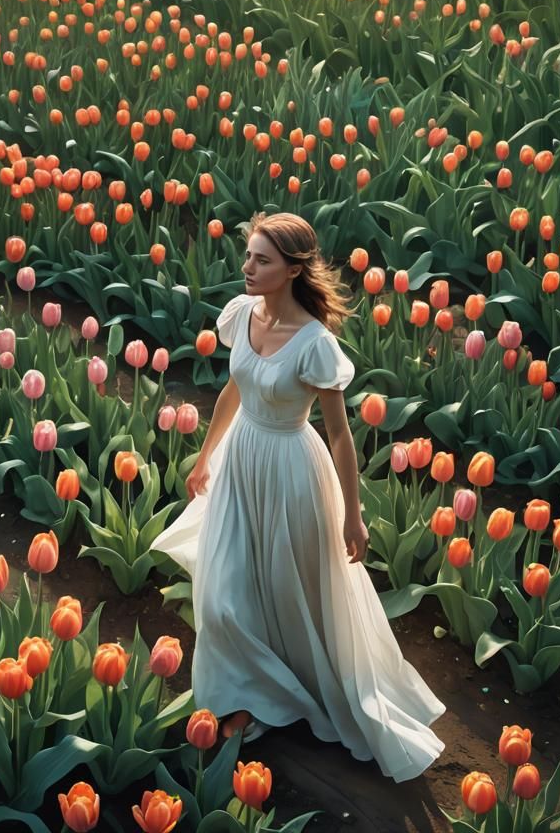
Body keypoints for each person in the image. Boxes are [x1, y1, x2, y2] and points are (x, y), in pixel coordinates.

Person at [149, 211, 446, 781]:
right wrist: (206, 456)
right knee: (221, 594)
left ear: (291, 269)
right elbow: (233, 389)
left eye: (262, 259)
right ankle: (246, 693)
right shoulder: (242, 315)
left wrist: (353, 517)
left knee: (291, 591)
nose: (248, 268)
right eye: (250, 256)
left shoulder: (315, 344)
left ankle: (275, 695)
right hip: (240, 458)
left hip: (291, 468)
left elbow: (339, 435)